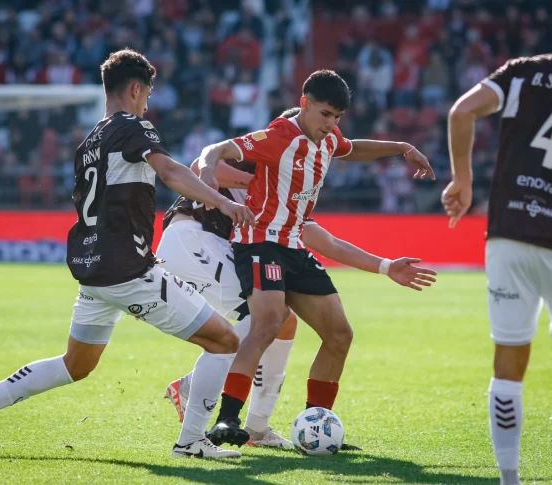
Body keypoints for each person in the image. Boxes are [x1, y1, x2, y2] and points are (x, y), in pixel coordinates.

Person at [0, 49, 255, 460]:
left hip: (94, 271)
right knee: (225, 340)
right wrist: (223, 203)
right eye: (148, 94)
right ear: (136, 88)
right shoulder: (134, 127)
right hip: (128, 271)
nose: (148, 103)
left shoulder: (89, 142)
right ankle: (191, 441)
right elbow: (172, 172)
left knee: (76, 364)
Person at [158, 109, 438, 448]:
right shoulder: (266, 154)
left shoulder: (291, 192)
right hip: (191, 239)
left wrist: (384, 265)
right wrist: (260, 182)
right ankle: (193, 403)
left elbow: (327, 243)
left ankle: (257, 428)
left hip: (218, 245)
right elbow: (200, 168)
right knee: (257, 322)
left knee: (282, 322)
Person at [441, 1, 552, 484]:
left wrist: (463, 181)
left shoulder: (525, 71)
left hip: (509, 235)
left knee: (509, 359)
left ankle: (510, 480)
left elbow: (461, 111)